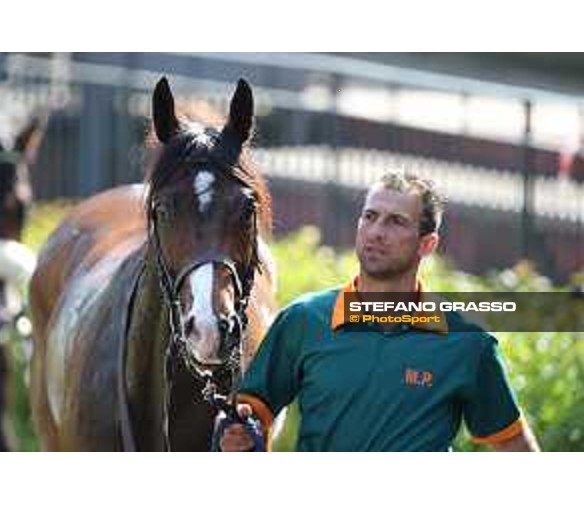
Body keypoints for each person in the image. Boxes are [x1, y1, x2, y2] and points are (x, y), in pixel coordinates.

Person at [222, 171, 539, 452]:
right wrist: (237, 438)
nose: (376, 231)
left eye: (396, 221)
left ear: (427, 244)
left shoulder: (468, 342)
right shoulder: (303, 320)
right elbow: (249, 419)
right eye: (370, 216)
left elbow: (513, 445)